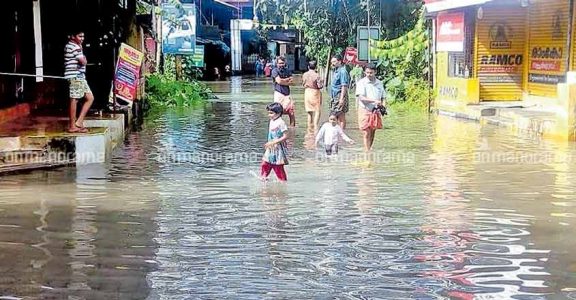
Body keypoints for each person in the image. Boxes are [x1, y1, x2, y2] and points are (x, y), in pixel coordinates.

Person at [65, 30, 94, 133]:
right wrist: (84, 58)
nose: (82, 38)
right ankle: (72, 126)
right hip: (75, 76)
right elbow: (83, 62)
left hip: (80, 76)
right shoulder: (75, 47)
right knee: (75, 99)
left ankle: (79, 122)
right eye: (80, 36)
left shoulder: (75, 47)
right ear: (73, 36)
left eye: (83, 36)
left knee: (90, 98)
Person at [355, 63, 386, 152]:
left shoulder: (379, 83)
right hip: (364, 110)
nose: (369, 74)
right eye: (367, 72)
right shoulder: (362, 83)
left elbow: (384, 97)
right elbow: (361, 97)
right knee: (366, 132)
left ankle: (369, 148)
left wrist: (383, 106)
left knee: (373, 131)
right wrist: (374, 101)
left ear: (375, 72)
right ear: (365, 72)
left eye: (371, 73)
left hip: (375, 111)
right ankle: (366, 152)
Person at [261, 102, 289, 182]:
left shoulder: (281, 123)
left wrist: (274, 142)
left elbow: (286, 136)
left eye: (271, 113)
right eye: (269, 113)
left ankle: (283, 182)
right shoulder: (272, 121)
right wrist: (269, 143)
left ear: (279, 113)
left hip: (278, 148)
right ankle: (264, 178)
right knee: (265, 163)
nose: (269, 115)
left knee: (278, 166)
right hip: (271, 147)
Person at [271, 56, 295, 127]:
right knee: (278, 113)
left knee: (291, 113)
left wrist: (283, 81)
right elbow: (279, 81)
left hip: (287, 95)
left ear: (285, 63)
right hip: (279, 94)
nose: (281, 65)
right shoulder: (274, 71)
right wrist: (287, 80)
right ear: (277, 64)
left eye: (282, 63)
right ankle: (278, 128)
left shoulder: (287, 70)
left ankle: (292, 129)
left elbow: (292, 82)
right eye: (280, 63)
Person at [330, 54, 351, 129]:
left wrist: (341, 99)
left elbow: (344, 85)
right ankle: (337, 131)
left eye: (334, 61)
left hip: (340, 95)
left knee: (340, 114)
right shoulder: (335, 71)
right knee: (336, 115)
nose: (333, 63)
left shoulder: (343, 71)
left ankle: (341, 132)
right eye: (332, 62)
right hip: (334, 95)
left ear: (339, 62)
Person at [302, 60, 324, 131]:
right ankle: (315, 126)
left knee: (309, 112)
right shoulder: (317, 75)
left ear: (308, 67)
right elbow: (320, 86)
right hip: (315, 92)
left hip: (307, 92)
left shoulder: (304, 74)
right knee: (317, 110)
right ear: (316, 67)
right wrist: (322, 82)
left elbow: (303, 84)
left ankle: (309, 127)